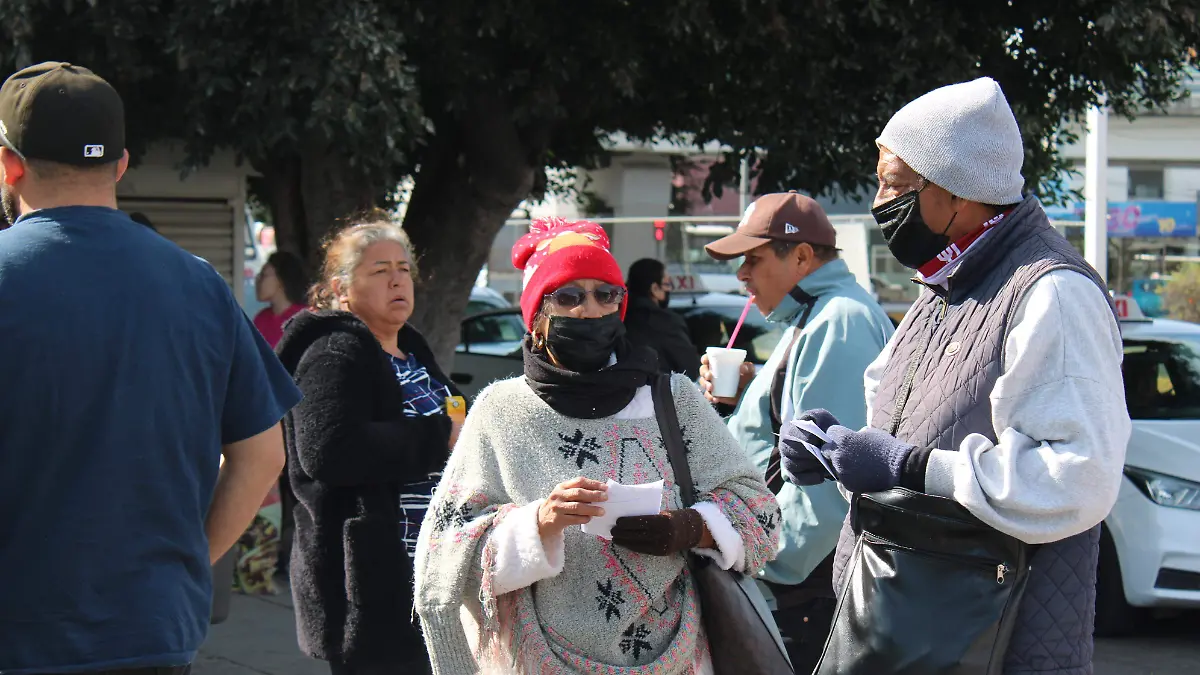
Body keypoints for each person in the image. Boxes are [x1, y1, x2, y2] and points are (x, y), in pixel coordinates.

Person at [779, 77, 1131, 674]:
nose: (878, 201)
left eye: (893, 183)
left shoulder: (1054, 293)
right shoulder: (945, 286)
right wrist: (840, 454)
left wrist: (909, 466)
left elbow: (1078, 479)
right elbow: (907, 440)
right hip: (910, 632)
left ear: (956, 192)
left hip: (995, 644)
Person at [0, 61, 301, 674]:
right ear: (120, 164)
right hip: (152, 630)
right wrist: (190, 560)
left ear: (9, 164)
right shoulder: (199, 285)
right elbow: (264, 455)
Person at [414, 218, 780, 674]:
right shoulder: (499, 411)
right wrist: (538, 524)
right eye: (568, 296)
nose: (590, 310)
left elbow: (761, 512)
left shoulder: (674, 399)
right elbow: (445, 550)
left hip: (681, 657)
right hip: (535, 659)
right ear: (538, 316)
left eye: (606, 294)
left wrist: (690, 527)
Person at [699, 192, 893, 672]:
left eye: (753, 259)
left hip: (801, 590)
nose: (742, 274)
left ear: (802, 257)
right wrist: (746, 396)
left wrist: (756, 559)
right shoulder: (812, 318)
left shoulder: (838, 322)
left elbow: (827, 483)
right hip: (794, 583)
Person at [275, 215, 463, 675]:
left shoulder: (412, 350)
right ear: (341, 289)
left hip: (436, 570)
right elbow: (328, 450)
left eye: (403, 268)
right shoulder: (334, 352)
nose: (397, 279)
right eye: (380, 271)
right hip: (373, 584)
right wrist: (440, 436)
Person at [250, 250, 309, 586]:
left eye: (266, 273)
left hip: (296, 419)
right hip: (266, 418)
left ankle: (293, 559)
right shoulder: (260, 319)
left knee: (295, 493)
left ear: (282, 280)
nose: (260, 279)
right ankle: (265, 557)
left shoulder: (301, 318)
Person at [623, 257, 700, 379]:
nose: (669, 289)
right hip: (659, 393)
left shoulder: (617, 316)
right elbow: (690, 368)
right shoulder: (667, 322)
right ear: (655, 288)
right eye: (667, 284)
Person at [254, 251, 309, 348]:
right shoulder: (261, 319)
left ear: (281, 280)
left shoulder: (305, 319)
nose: (258, 280)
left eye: (263, 275)